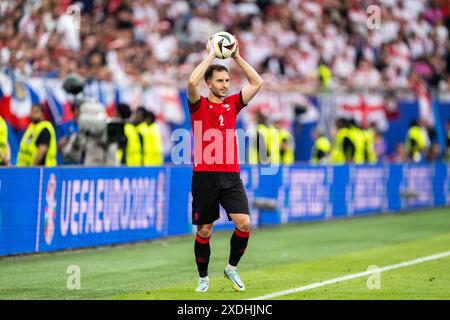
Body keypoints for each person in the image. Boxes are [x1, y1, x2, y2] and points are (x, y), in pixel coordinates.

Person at [187, 38, 263, 292]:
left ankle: (231, 268)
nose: (225, 85)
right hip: (205, 176)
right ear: (209, 83)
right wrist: (211, 56)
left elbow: (257, 82)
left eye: (227, 81)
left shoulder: (233, 104)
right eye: (220, 81)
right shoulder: (199, 105)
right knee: (205, 231)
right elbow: (190, 82)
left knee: (244, 224)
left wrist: (237, 57)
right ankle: (203, 278)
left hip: (231, 175)